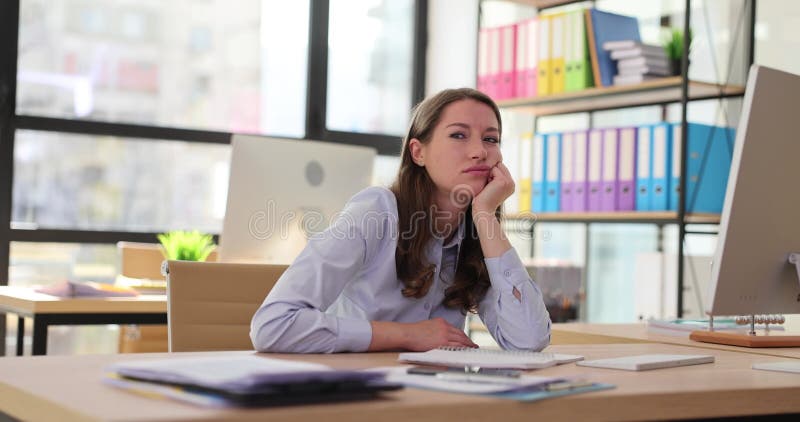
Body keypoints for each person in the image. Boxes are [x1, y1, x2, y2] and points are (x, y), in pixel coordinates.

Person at [250, 88, 551, 353]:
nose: (479, 152)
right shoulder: (376, 212)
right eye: (458, 135)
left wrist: (486, 215)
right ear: (418, 152)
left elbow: (528, 341)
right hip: (353, 392)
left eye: (491, 139)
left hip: (431, 396)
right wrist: (407, 335)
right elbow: (273, 325)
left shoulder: (476, 235)